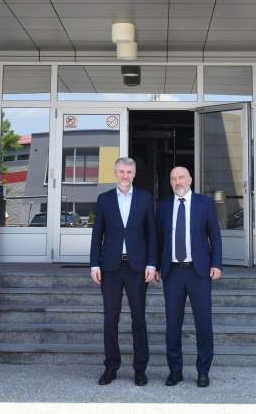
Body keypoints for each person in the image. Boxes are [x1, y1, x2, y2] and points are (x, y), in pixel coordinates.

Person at [89, 156, 157, 386]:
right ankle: (111, 367)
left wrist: (152, 264)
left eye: (129, 172)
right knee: (111, 319)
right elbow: (97, 234)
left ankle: (140, 369)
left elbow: (152, 234)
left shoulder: (145, 198)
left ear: (134, 174)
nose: (125, 175)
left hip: (138, 267)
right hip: (110, 267)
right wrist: (94, 264)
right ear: (115, 173)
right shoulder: (104, 199)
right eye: (121, 171)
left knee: (139, 319)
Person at [156, 166, 223, 388]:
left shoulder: (204, 203)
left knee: (203, 323)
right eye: (173, 178)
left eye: (181, 177)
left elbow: (215, 236)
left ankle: (203, 371)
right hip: (172, 272)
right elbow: (158, 239)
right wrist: (156, 266)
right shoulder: (163, 206)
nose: (178, 181)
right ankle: (175, 371)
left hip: (198, 272)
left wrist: (216, 264)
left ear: (190, 179)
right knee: (172, 325)